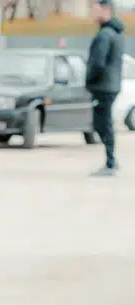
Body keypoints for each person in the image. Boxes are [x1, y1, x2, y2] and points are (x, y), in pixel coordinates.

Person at [86, 0, 124, 176]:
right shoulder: (115, 33)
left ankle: (110, 164)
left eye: (94, 9)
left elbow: (98, 63)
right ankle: (111, 161)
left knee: (103, 124)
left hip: (103, 86)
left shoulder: (105, 34)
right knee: (102, 123)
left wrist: (89, 80)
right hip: (111, 85)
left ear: (105, 10)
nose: (92, 12)